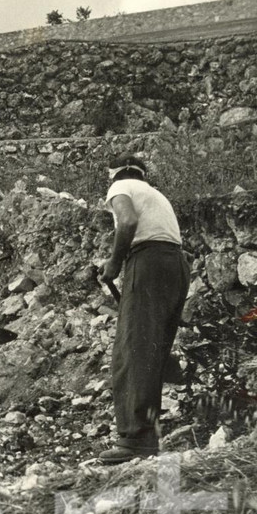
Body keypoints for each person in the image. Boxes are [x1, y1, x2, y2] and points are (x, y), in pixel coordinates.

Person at [97, 155, 190, 464]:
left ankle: (135, 438)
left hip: (147, 263)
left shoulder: (120, 186)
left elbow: (127, 221)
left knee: (132, 349)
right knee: (153, 350)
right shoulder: (156, 194)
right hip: (176, 264)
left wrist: (113, 263)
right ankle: (147, 434)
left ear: (114, 174)